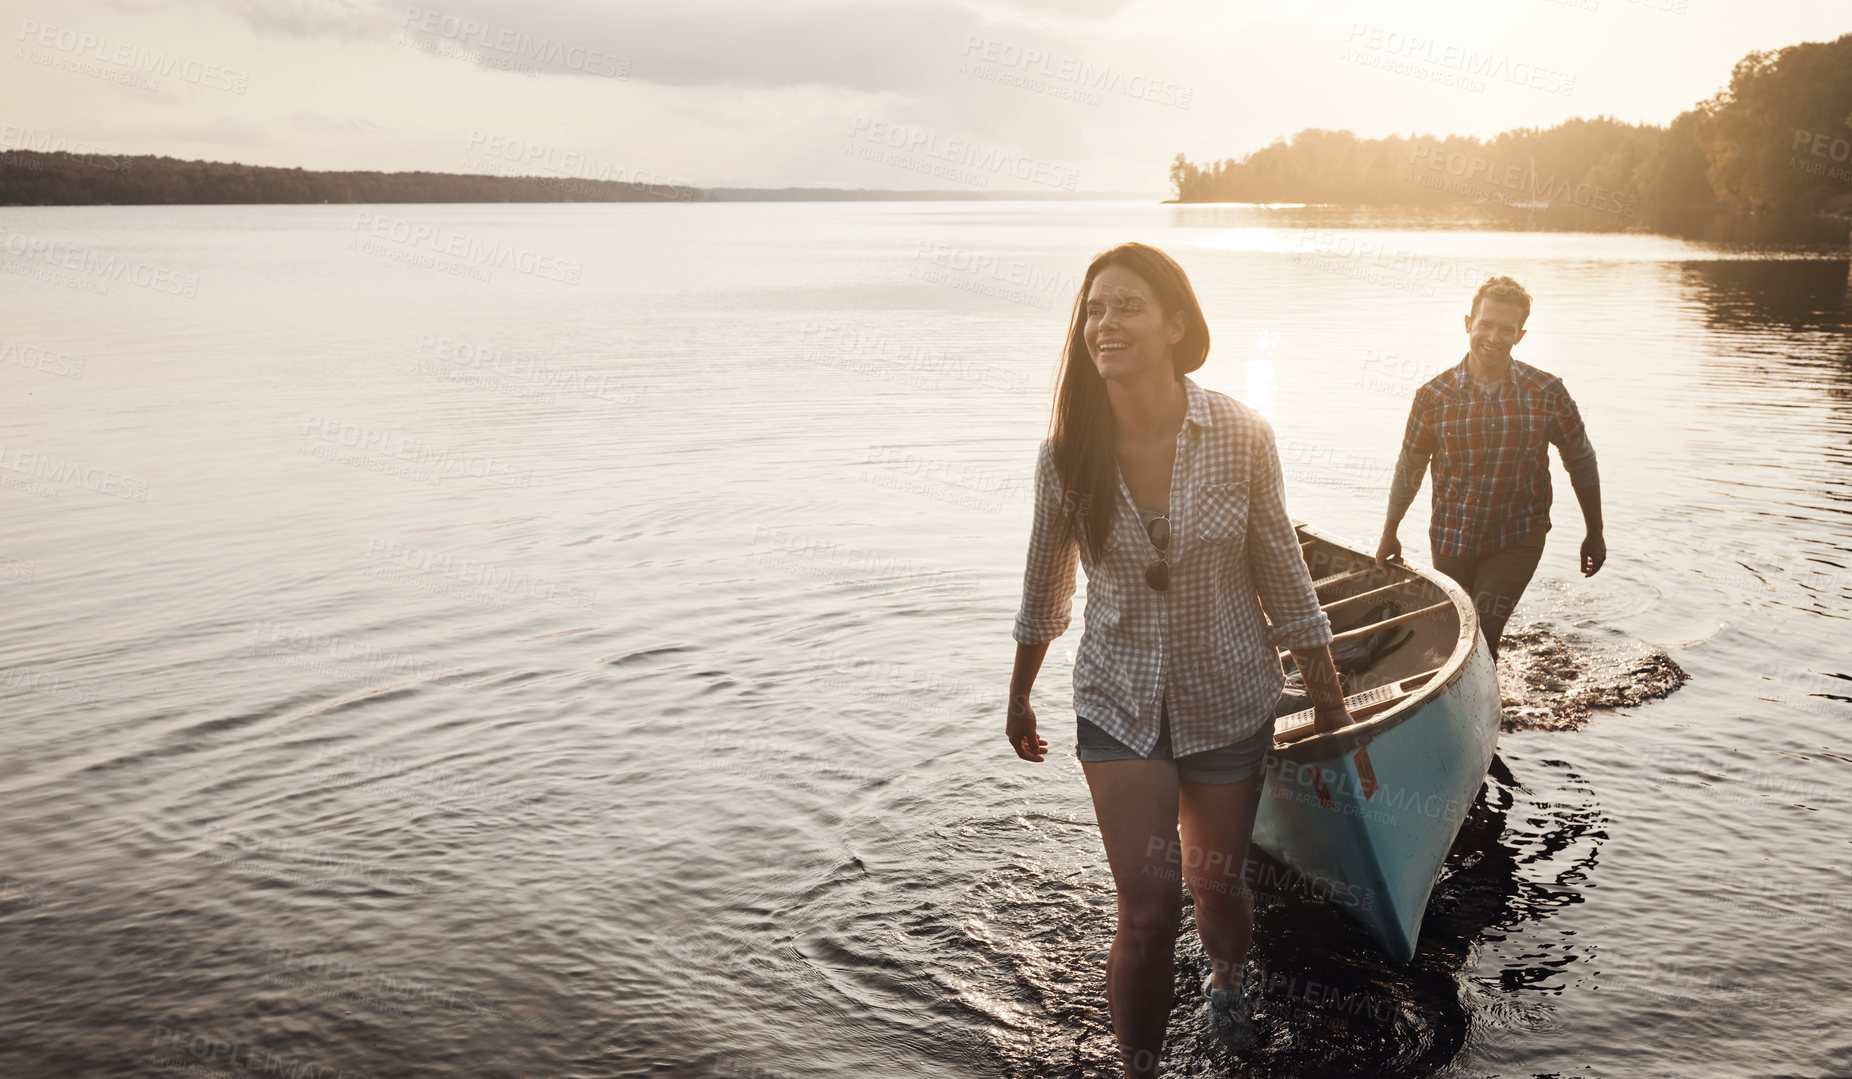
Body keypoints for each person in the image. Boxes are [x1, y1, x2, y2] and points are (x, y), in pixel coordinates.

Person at [1005, 242, 1354, 1077]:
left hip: (1228, 694)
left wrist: (1328, 688)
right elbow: (1042, 587)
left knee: (1217, 890)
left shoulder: (1239, 432)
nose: (1105, 323)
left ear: (1174, 323)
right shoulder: (1066, 454)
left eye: (1125, 305)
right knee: (1150, 906)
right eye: (1093, 308)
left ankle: (1228, 978)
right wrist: (1020, 695)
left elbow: (1279, 564)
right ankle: (1139, 1068)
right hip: (1117, 701)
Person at [1374, 275, 1605, 661]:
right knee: (1453, 630)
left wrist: (1594, 531)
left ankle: (1483, 711)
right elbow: (1409, 467)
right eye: (1485, 325)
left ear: (1521, 335)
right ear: (1468, 323)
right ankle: (1484, 695)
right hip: (1451, 535)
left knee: (1480, 629)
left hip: (1517, 534)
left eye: (1506, 329)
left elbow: (1580, 460)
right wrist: (1390, 531)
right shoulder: (1433, 396)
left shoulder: (1546, 392)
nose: (1494, 337)